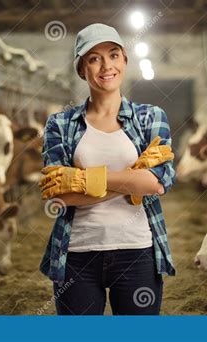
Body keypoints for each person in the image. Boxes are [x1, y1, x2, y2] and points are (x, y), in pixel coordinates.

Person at [38, 23, 176, 315]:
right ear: (81, 69)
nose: (106, 66)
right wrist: (132, 179)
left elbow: (156, 184)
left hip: (138, 250)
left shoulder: (151, 116)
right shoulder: (60, 124)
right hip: (76, 254)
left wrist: (84, 179)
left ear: (125, 60)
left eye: (113, 55)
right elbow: (59, 196)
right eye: (94, 58)